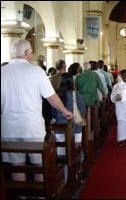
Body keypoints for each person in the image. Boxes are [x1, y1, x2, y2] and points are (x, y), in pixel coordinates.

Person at [1, 39, 73, 183]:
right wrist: (65, 111)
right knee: (39, 163)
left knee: (17, 165)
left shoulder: (2, 71)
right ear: (27, 52)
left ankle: (21, 196)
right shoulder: (36, 70)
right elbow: (51, 97)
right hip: (31, 124)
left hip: (7, 125)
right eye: (31, 52)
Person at [52, 73, 86, 182]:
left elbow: (53, 113)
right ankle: (76, 174)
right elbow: (83, 111)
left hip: (60, 129)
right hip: (75, 128)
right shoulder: (76, 95)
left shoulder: (56, 96)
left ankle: (63, 178)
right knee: (76, 150)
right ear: (72, 82)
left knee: (61, 154)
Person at [111, 70, 126, 147]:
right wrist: (116, 98)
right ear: (121, 76)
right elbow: (112, 97)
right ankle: (121, 139)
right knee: (121, 122)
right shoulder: (117, 86)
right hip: (120, 107)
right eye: (124, 76)